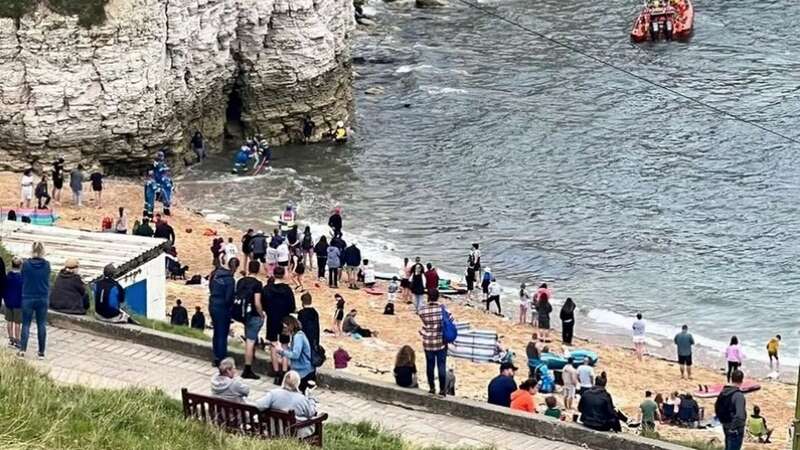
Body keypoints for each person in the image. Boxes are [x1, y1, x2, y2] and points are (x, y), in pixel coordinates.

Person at [253, 371, 319, 438]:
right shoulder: (301, 399)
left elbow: (259, 405)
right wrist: (311, 399)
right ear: (298, 384)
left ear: (284, 381)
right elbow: (311, 413)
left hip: (275, 430)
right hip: (296, 433)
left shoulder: (274, 394)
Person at [262, 266, 296, 383]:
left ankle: (276, 372)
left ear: (273, 274)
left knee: (273, 344)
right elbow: (292, 307)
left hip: (272, 319)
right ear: (283, 274)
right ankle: (284, 372)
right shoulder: (287, 290)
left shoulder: (267, 289)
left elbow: (263, 304)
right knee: (285, 345)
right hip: (285, 320)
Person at [19, 242, 51, 359]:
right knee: (41, 324)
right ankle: (41, 352)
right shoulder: (47, 265)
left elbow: (22, 277)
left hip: (28, 296)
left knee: (26, 324)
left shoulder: (26, 264)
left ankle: (22, 349)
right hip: (42, 296)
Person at [236, 260, 265, 379]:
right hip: (253, 313)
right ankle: (247, 368)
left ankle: (250, 361)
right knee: (250, 341)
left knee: (249, 337)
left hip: (242, 313)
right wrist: (261, 314)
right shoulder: (257, 284)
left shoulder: (241, 281)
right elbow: (257, 302)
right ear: (258, 270)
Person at [209, 257, 239, 366]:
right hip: (222, 307)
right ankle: (221, 358)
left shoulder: (215, 274)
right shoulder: (230, 280)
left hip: (213, 304)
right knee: (222, 333)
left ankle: (216, 356)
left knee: (216, 332)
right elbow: (228, 298)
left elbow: (211, 288)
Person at [419, 291, 449, 396]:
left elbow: (424, 322)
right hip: (441, 341)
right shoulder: (442, 309)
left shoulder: (423, 310)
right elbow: (451, 321)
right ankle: (442, 389)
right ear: (438, 297)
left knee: (430, 365)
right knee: (441, 365)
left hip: (428, 341)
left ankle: (432, 387)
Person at [277, 316, 315, 393]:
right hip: (300, 370)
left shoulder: (298, 337)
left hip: (303, 371)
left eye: (285, 327)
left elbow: (295, 355)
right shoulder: (296, 336)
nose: (284, 330)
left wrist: (282, 351)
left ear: (290, 326)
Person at [716, 369, 747, 450]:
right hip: (735, 428)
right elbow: (740, 415)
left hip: (725, 423)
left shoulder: (724, 391)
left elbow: (717, 406)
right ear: (742, 380)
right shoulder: (738, 395)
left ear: (731, 378)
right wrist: (734, 428)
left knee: (728, 446)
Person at [4, 257, 23, 347]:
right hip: (18, 303)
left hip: (8, 302)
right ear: (20, 266)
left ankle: (11, 339)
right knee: (17, 322)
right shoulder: (21, 278)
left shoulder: (8, 276)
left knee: (9, 321)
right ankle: (17, 339)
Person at [297, 292, 320, 362]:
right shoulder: (315, 312)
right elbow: (317, 327)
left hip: (304, 337)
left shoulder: (301, 313)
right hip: (313, 337)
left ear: (302, 302)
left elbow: (300, 327)